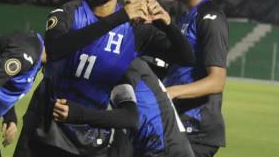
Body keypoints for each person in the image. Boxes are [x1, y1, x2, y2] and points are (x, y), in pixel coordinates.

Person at [13, 0, 194, 157]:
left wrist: (167, 25)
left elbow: (186, 57)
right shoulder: (68, 14)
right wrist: (119, 18)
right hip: (44, 137)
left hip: (90, 145)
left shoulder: (134, 31)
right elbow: (54, 50)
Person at [161, 0, 228, 157]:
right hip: (178, 124)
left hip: (197, 131)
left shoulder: (210, 17)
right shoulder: (183, 17)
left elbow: (216, 81)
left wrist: (171, 92)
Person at [53, 58, 195, 157]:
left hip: (165, 149)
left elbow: (129, 118)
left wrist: (78, 114)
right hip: (161, 146)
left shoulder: (124, 64)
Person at [123, 0, 169, 81]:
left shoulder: (163, 36)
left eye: (130, 4)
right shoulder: (126, 29)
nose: (127, 9)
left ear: (148, 4)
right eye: (125, 4)